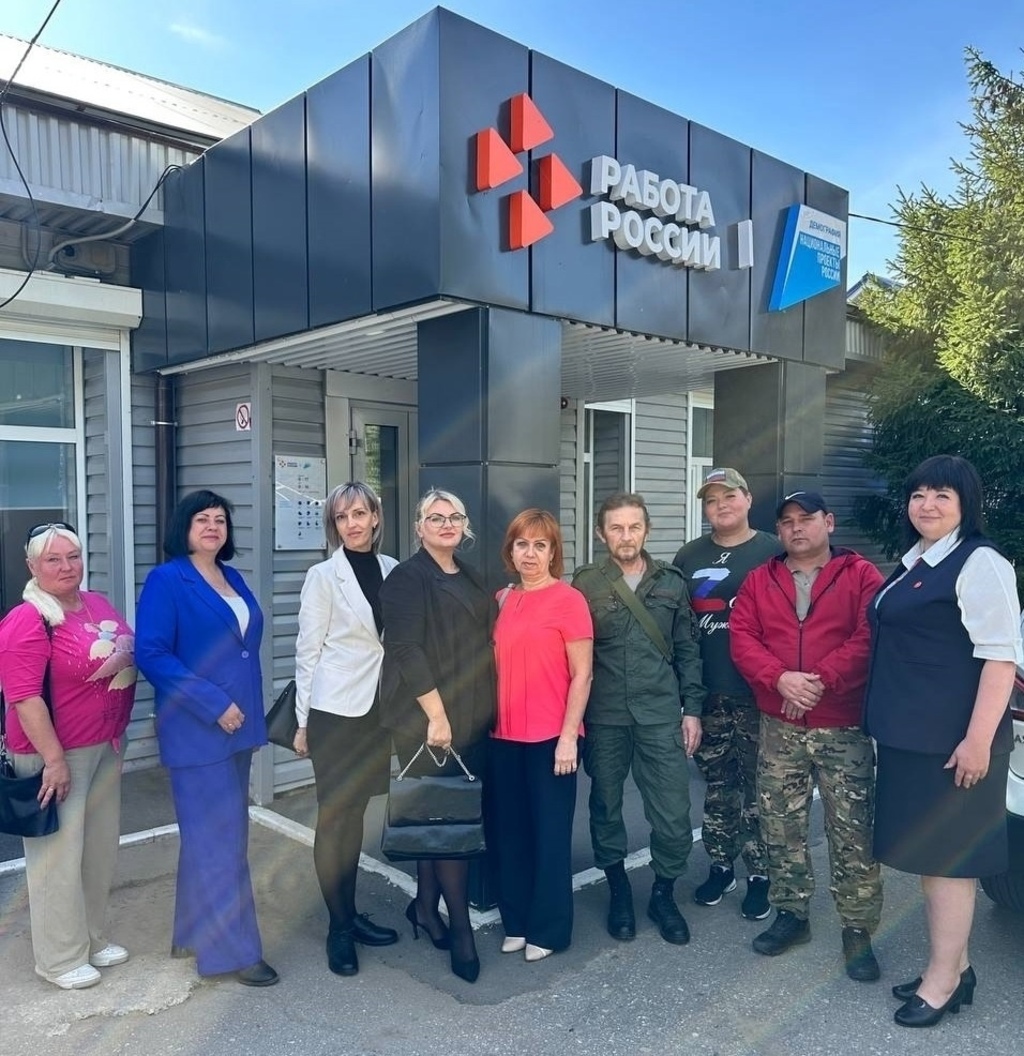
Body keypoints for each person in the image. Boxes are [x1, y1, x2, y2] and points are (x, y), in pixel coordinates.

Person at [864, 456, 1022, 1027]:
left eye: (942, 496)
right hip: (913, 741)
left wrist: (978, 741)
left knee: (950, 865)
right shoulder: (916, 562)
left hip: (955, 746)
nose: (926, 505)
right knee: (932, 860)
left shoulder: (981, 563)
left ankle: (943, 981)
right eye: (918, 494)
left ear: (966, 504)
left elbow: (1000, 658)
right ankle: (958, 966)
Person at [730, 490, 884, 981]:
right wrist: (780, 679)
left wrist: (817, 682)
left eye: (806, 518)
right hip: (780, 725)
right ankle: (792, 914)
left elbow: (869, 636)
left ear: (829, 522)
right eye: (787, 521)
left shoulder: (860, 575)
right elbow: (742, 637)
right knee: (781, 825)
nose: (796, 528)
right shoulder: (760, 579)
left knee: (852, 831)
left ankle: (857, 929)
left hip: (843, 726)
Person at [135, 490, 277, 987]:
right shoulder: (167, 580)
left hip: (238, 730)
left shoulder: (232, 577)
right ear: (184, 527)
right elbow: (152, 653)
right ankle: (232, 953)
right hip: (198, 731)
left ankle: (193, 931)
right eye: (202, 519)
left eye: (220, 519)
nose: (213, 526)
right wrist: (213, 703)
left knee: (213, 837)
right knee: (221, 841)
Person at [0, 523, 136, 990]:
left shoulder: (96, 603)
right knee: (56, 858)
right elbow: (24, 698)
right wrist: (54, 760)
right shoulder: (28, 619)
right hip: (55, 755)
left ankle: (91, 939)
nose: (65, 566)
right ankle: (59, 959)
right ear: (32, 566)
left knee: (97, 850)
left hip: (105, 747)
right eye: (53, 559)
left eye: (72, 556)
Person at [571, 492, 705, 946]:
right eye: (616, 528)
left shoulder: (671, 582)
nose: (625, 536)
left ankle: (663, 893)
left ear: (646, 530)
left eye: (633, 527)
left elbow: (687, 650)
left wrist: (692, 710)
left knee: (673, 812)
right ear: (601, 533)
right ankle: (619, 890)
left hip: (660, 715)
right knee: (605, 807)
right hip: (605, 716)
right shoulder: (585, 583)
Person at [379, 488, 496, 983]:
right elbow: (405, 649)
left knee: (436, 813)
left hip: (470, 712)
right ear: (419, 527)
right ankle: (461, 929)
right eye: (435, 517)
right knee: (448, 823)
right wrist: (437, 716)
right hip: (429, 718)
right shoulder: (408, 578)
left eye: (454, 516)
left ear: (464, 525)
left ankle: (425, 908)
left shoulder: (468, 573)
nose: (446, 524)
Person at [292, 481, 399, 977]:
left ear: (375, 517)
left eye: (359, 513)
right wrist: (302, 722)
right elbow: (307, 651)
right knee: (334, 817)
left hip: (375, 713)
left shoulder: (392, 569)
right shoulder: (322, 576)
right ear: (333, 525)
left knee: (355, 817)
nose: (352, 524)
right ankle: (338, 928)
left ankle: (350, 913)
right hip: (334, 713)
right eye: (342, 517)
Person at [673, 468, 782, 920]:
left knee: (760, 788)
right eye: (712, 499)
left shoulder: (774, 551)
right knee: (719, 786)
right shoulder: (689, 555)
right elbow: (680, 628)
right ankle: (721, 865)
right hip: (709, 692)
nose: (721, 505)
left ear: (748, 499)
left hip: (760, 692)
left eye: (730, 496)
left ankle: (761, 874)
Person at [490, 509, 593, 962]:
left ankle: (549, 930)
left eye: (540, 545)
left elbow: (583, 674)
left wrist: (569, 736)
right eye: (522, 544)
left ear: (553, 552)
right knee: (510, 834)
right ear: (510, 551)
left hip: (553, 737)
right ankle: (516, 921)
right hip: (503, 736)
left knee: (549, 836)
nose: (529, 554)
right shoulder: (502, 599)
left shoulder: (569, 600)